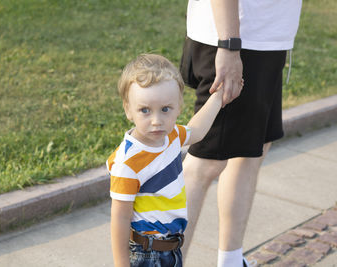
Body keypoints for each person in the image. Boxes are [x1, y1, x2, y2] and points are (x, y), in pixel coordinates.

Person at [179, 0, 303, 266]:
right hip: (236, 40)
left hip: (265, 38)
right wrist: (229, 44)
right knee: (204, 163)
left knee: (252, 150)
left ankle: (231, 261)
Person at [107, 54, 240, 266]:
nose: (156, 121)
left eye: (165, 109)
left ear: (179, 106)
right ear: (128, 109)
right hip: (147, 254)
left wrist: (218, 97)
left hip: (172, 248)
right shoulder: (128, 163)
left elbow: (196, 130)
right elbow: (120, 218)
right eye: (145, 110)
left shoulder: (172, 136)